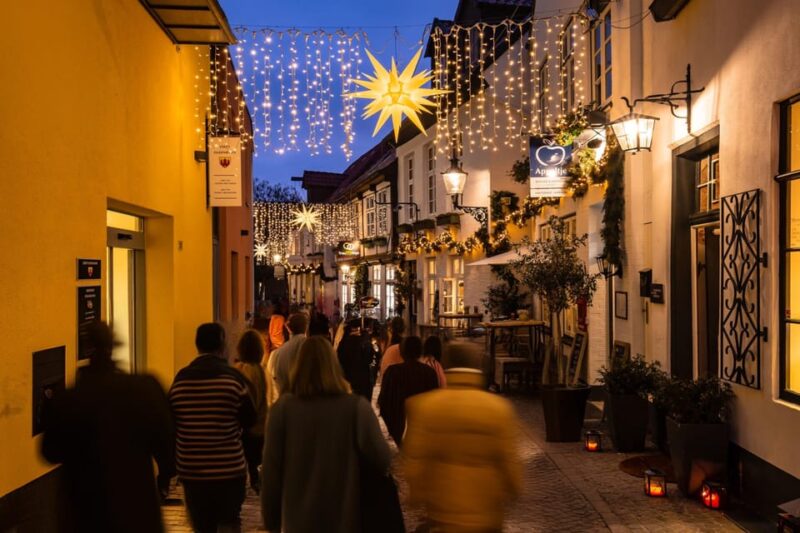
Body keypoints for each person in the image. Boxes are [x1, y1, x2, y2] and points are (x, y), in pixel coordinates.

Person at [41, 322, 174, 533]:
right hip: (136, 511)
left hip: (83, 514)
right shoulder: (144, 390)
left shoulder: (67, 400)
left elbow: (50, 452)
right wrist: (164, 477)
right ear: (113, 347)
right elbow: (168, 445)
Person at [262, 336, 392, 533]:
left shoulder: (282, 410)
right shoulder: (355, 408)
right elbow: (382, 458)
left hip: (298, 522)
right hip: (346, 518)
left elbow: (271, 473)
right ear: (334, 365)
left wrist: (271, 521)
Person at [403, 343, 522, 532]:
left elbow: (414, 464)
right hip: (485, 519)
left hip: (442, 517)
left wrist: (417, 497)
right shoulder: (498, 409)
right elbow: (510, 465)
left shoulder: (425, 407)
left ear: (446, 367)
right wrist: (510, 491)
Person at [169, 323, 256, 533]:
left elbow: (171, 422)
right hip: (229, 469)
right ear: (222, 345)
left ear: (197, 345)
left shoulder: (180, 381)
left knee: (201, 525)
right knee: (228, 521)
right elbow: (250, 418)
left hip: (192, 471)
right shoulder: (233, 380)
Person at [377, 336, 439, 446]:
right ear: (420, 351)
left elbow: (383, 403)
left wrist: (394, 430)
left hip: (398, 430)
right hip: (423, 432)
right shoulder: (430, 373)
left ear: (402, 352)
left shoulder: (392, 372)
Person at [234, 329, 268, 493]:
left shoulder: (238, 370)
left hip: (242, 427)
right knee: (255, 462)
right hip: (258, 427)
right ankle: (256, 482)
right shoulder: (261, 372)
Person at [269, 312, 309, 399]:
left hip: (286, 401)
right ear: (306, 328)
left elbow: (273, 382)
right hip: (308, 401)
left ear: (289, 329)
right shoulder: (313, 348)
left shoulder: (278, 353)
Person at [337, 320, 375, 401]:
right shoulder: (364, 342)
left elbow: (340, 359)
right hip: (362, 380)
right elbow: (369, 359)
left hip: (347, 379)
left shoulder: (344, 342)